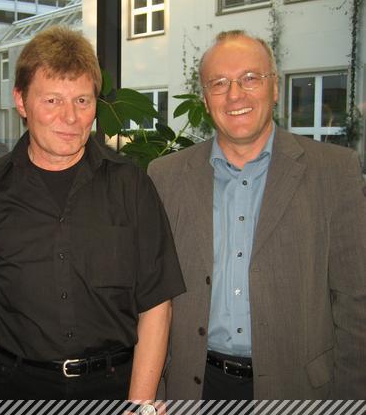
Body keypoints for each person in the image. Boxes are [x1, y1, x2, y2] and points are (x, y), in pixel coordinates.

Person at [0, 26, 185, 402]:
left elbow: (157, 303)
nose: (71, 117)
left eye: (82, 100)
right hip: (15, 387)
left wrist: (140, 405)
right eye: (52, 101)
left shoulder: (131, 185)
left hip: (113, 388)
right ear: (21, 101)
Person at [148, 30, 366, 400]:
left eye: (250, 78)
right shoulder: (165, 176)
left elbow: (356, 301)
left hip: (300, 391)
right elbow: (153, 298)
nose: (235, 95)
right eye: (219, 83)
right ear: (205, 99)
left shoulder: (334, 170)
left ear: (275, 88)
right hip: (193, 388)